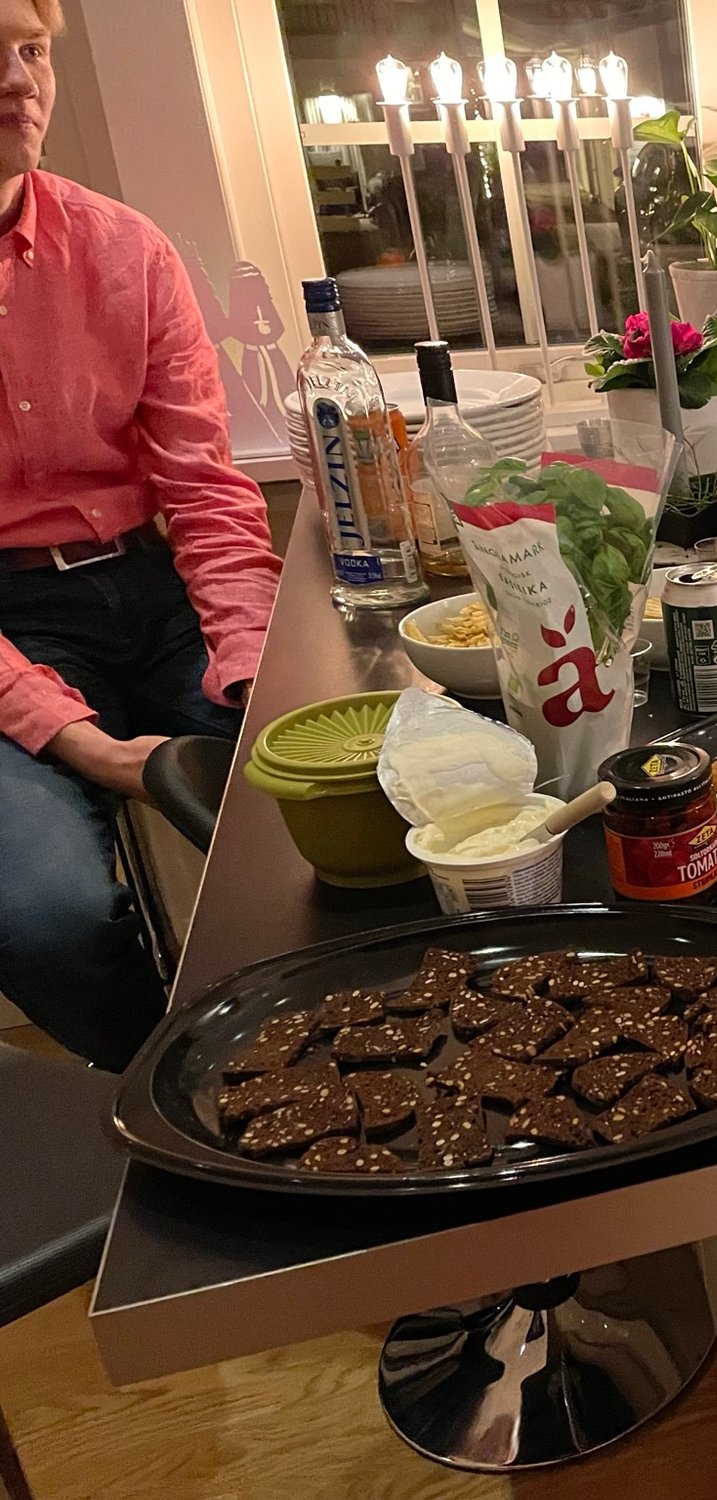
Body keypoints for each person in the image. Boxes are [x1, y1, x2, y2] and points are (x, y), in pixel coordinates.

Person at [0, 0, 282, 1068]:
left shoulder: (125, 248)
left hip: (150, 589)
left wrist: (254, 673)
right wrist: (84, 744)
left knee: (342, 795)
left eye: (31, 50)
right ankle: (184, 1089)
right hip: (9, 625)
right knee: (47, 918)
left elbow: (204, 489)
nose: (20, 81)